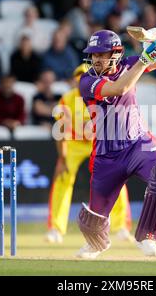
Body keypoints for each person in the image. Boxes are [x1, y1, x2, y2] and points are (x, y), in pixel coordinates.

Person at [77, 28, 156, 258]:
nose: (96, 59)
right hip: (107, 153)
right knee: (93, 223)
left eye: (101, 54)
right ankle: (95, 245)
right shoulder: (87, 80)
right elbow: (119, 88)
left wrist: (152, 38)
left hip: (139, 144)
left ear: (115, 53)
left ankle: (148, 237)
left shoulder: (129, 64)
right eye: (93, 55)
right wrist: (143, 61)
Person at [46, 64, 133, 244]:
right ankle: (56, 228)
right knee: (62, 179)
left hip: (99, 141)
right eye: (78, 77)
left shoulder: (104, 94)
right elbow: (60, 130)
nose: (81, 80)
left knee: (116, 179)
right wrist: (62, 159)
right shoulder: (67, 99)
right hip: (74, 142)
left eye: (84, 76)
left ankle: (121, 227)